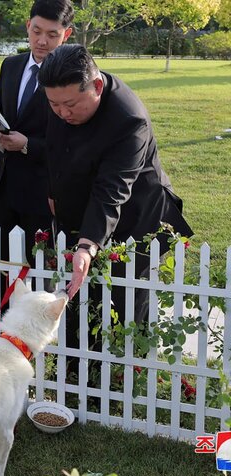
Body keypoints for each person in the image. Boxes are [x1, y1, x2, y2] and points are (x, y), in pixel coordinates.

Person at [38, 44, 193, 360]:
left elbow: (112, 190)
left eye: (69, 105)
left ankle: (131, 377)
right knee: (83, 303)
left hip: (137, 222)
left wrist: (87, 246)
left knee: (129, 308)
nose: (62, 113)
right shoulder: (62, 97)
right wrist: (55, 193)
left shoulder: (128, 120)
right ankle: (81, 378)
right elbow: (56, 149)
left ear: (95, 87)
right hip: (86, 215)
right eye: (54, 105)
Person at [0, 0, 73, 333]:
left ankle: (36, 341)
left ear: (66, 35)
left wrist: (28, 145)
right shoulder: (11, 65)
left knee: (39, 277)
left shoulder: (74, 74)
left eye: (52, 34)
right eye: (36, 31)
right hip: (4, 188)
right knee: (1, 271)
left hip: (44, 191)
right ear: (27, 26)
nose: (42, 41)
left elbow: (75, 144)